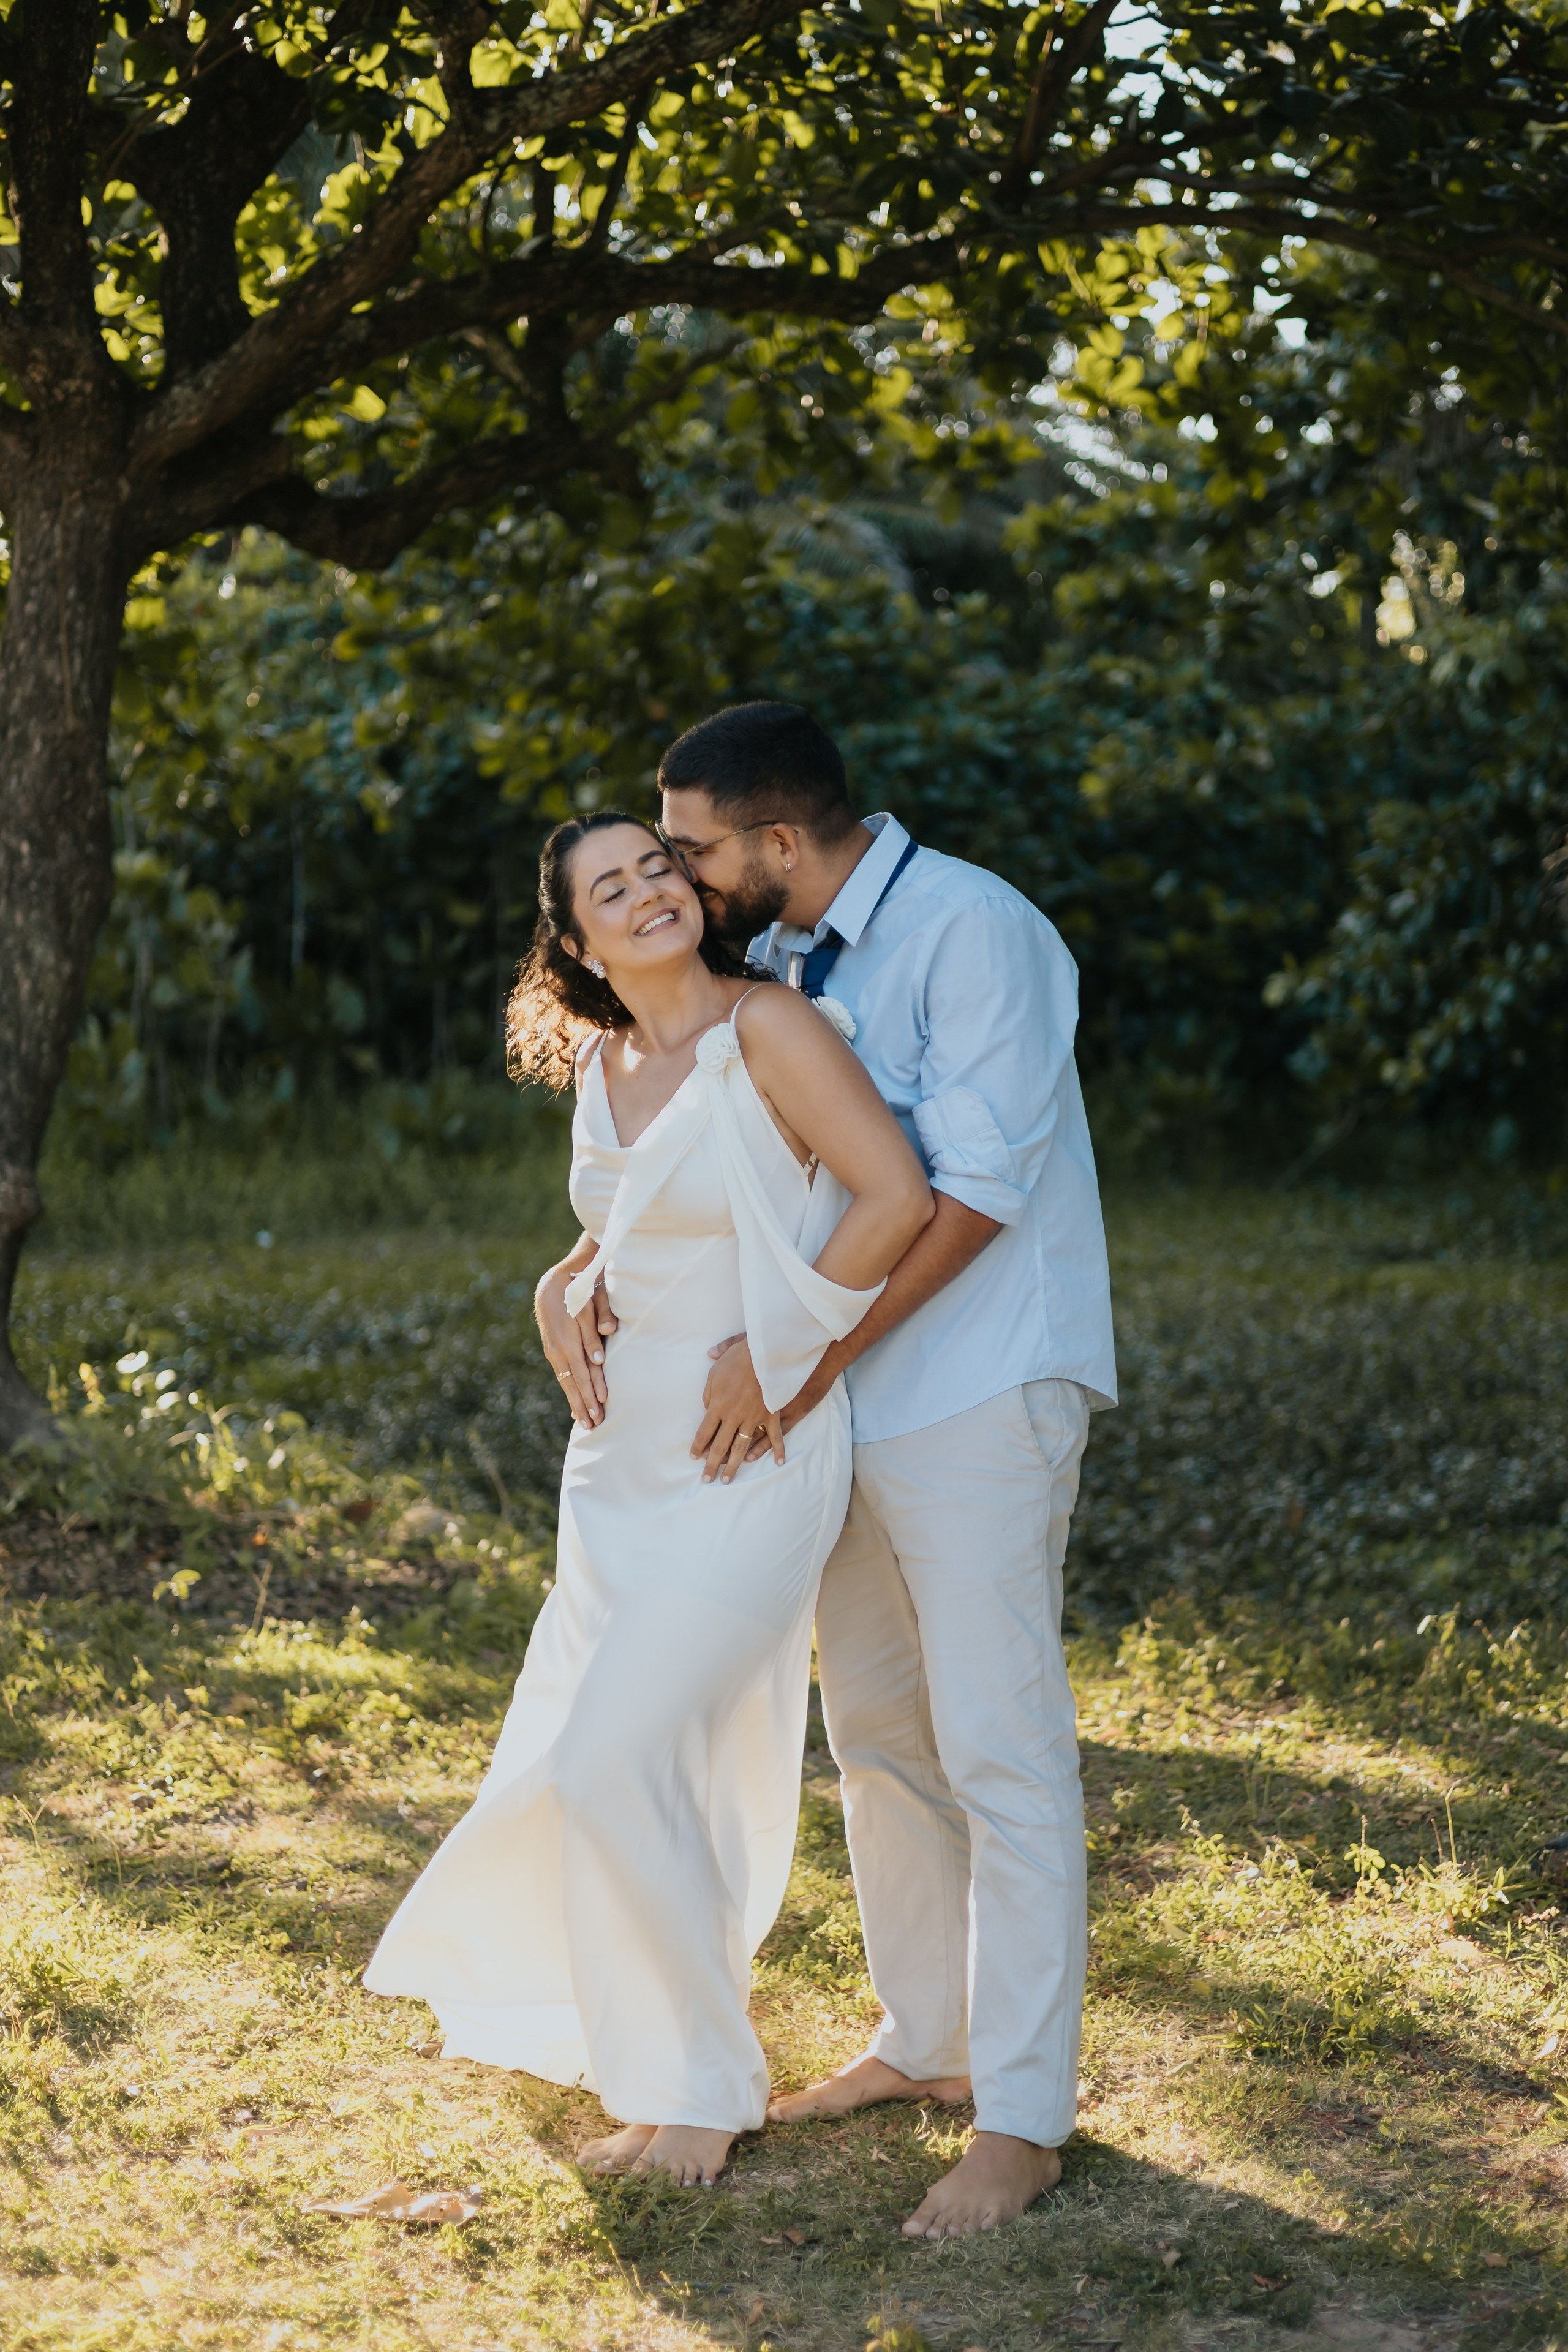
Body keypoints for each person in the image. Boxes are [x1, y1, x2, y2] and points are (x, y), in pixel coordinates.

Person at [365, 810, 933, 2190]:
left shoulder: (773, 1031)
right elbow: (627, 1214)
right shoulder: (607, 1063)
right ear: (575, 941)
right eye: (608, 888)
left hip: (754, 1449)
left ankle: (699, 2091)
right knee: (613, 1752)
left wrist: (778, 1355)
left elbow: (891, 1195)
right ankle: (656, 2040)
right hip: (615, 1476)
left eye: (657, 866)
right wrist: (556, 1279)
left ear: (692, 887)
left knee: (617, 1751)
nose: (646, 892)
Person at [652, 701, 1118, 2239]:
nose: (679, 871)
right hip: (841, 1404)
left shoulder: (978, 931)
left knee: (998, 1743)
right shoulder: (774, 960)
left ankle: (1025, 2121)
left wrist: (809, 1358)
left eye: (695, 846)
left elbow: (974, 1193)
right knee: (872, 1734)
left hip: (979, 1384)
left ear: (779, 840)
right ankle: (925, 2043)